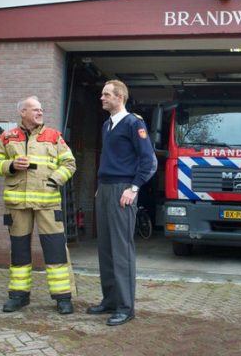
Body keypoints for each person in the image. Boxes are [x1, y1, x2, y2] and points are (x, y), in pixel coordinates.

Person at [0, 96, 77, 315]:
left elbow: (69, 163)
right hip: (17, 204)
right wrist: (10, 165)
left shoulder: (54, 136)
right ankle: (19, 295)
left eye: (41, 109)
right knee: (19, 251)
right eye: (35, 109)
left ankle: (63, 298)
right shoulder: (7, 137)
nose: (40, 112)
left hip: (47, 204)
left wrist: (54, 180)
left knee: (55, 250)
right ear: (23, 112)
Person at [87, 80, 157, 326]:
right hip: (105, 190)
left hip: (122, 191)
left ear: (120, 97)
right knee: (105, 248)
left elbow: (148, 161)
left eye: (106, 94)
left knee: (121, 250)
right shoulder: (107, 125)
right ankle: (110, 300)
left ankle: (126, 307)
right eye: (102, 94)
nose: (101, 98)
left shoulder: (133, 123)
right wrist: (100, 188)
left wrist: (133, 188)